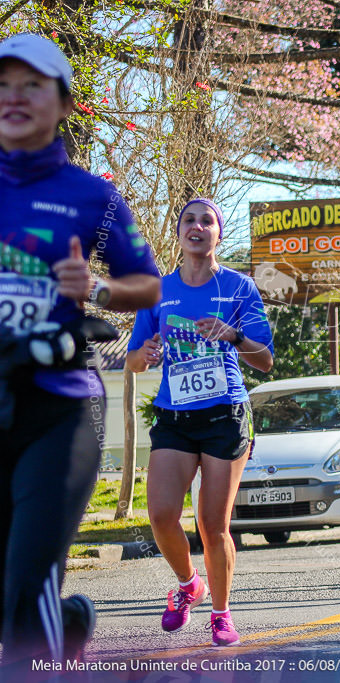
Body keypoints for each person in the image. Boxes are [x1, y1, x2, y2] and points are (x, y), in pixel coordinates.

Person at [0, 34, 161, 671]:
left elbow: (146, 284)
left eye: (32, 85)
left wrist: (95, 287)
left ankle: (43, 639)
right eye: (4, 85)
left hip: (60, 411)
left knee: (26, 593)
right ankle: (68, 623)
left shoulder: (91, 197)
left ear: (63, 102)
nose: (14, 97)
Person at [126, 198, 274, 647]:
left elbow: (264, 360)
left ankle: (222, 613)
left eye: (206, 220)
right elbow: (133, 361)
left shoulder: (240, 287)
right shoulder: (157, 290)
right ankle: (190, 584)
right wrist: (145, 355)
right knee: (161, 515)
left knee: (213, 526)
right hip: (174, 415)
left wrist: (232, 334)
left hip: (224, 415)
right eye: (188, 219)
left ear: (218, 234)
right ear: (178, 233)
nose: (197, 226)